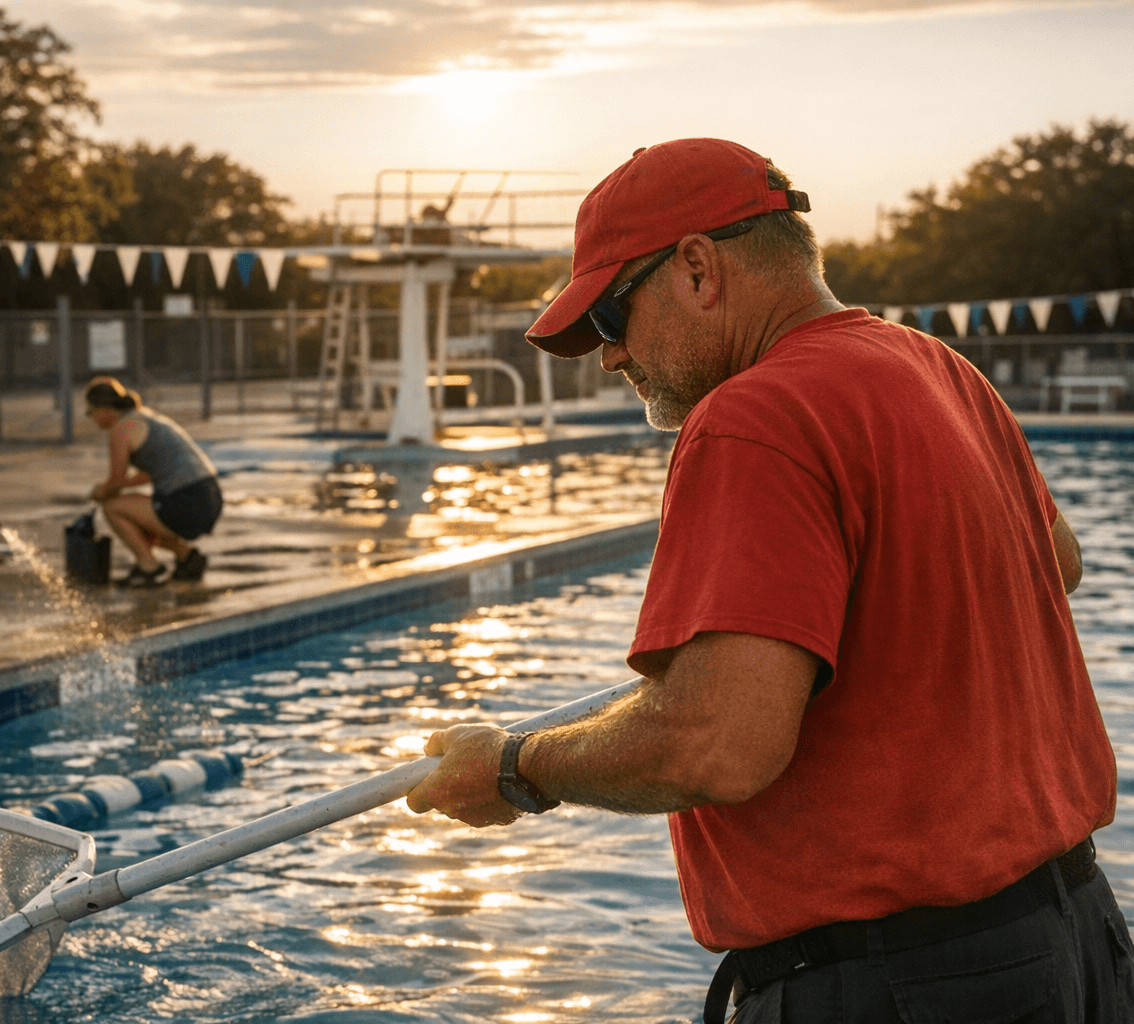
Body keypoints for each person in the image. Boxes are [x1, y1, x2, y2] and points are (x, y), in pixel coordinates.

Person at [404, 138, 1128, 1022]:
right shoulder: (937, 367)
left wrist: (516, 768)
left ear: (698, 268)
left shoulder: (751, 417)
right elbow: (1057, 565)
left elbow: (719, 743)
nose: (609, 359)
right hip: (1078, 940)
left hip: (901, 983)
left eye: (608, 321)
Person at [85, 376, 221, 586]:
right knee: (139, 513)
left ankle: (148, 566)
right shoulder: (144, 418)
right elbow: (145, 476)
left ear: (104, 410)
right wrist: (119, 488)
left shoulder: (121, 429)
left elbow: (116, 480)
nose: (91, 418)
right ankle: (188, 557)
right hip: (208, 496)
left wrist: (99, 493)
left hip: (187, 500)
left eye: (90, 412)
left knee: (113, 507)